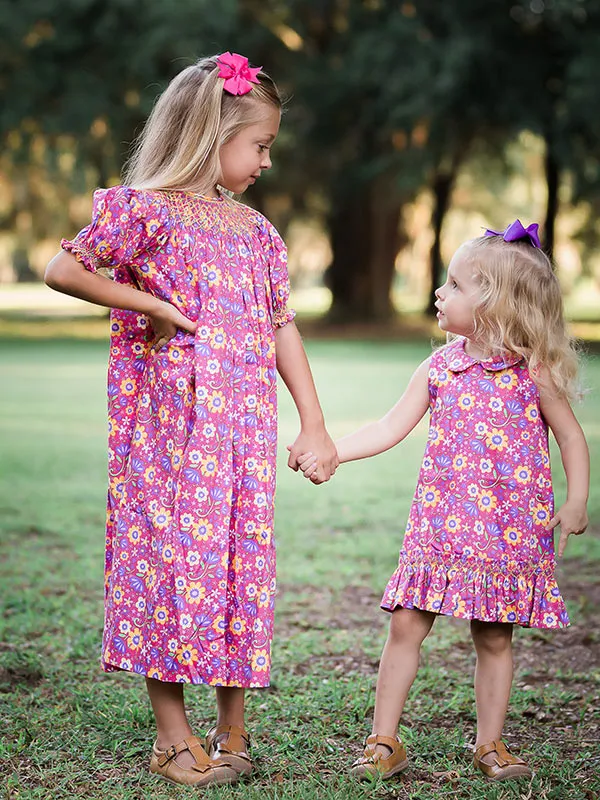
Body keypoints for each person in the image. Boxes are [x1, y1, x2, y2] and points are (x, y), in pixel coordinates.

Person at [45, 51, 338, 787]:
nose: (267, 162)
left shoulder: (258, 232)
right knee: (167, 568)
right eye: (260, 145)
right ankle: (173, 739)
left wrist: (313, 422)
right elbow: (66, 268)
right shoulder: (145, 211)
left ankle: (232, 727)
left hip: (241, 437)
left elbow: (281, 325)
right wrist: (152, 304)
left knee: (238, 569)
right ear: (211, 136)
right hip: (170, 437)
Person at [297, 220, 589, 782]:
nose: (439, 292)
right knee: (406, 624)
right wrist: (334, 451)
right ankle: (383, 740)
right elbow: (388, 426)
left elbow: (571, 437)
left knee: (494, 635)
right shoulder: (440, 367)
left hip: (507, 532)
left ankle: (490, 745)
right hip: (439, 528)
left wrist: (576, 501)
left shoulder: (533, 373)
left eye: (454, 285)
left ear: (495, 303)